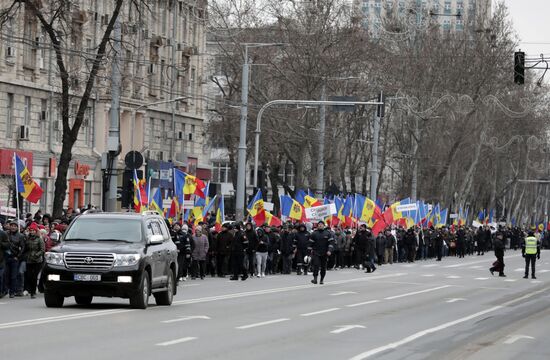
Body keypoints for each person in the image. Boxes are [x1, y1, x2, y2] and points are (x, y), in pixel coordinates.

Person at [23, 222, 45, 299]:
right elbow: (25, 249)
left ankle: (33, 292)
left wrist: (36, 255)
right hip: (29, 260)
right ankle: (29, 289)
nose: (32, 232)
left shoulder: (39, 239)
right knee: (29, 276)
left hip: (37, 261)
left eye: (33, 230)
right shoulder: (27, 239)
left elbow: (42, 250)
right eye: (30, 230)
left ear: (36, 231)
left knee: (34, 276)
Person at [5, 220, 25, 298]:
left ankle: (12, 292)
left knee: (14, 276)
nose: (13, 227)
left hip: (15, 258)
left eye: (15, 226)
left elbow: (23, 248)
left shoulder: (20, 236)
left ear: (17, 227)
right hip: (6, 258)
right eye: (12, 225)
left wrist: (18, 257)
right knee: (6, 275)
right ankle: (5, 290)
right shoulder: (6, 234)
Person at [0, 227, 9, 299]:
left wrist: (1, 243)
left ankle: (2, 291)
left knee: (1, 276)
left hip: (1, 259)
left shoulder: (2, 233)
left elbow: (7, 245)